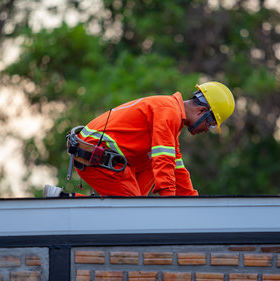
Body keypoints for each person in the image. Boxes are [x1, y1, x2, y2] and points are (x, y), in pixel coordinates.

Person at [43, 81, 235, 197]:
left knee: (136, 204)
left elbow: (178, 171)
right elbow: (164, 162)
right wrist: (171, 205)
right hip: (96, 154)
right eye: (210, 123)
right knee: (130, 212)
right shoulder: (168, 111)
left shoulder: (171, 118)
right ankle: (62, 200)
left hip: (100, 154)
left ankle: (63, 198)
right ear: (202, 111)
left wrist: (192, 206)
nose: (207, 129)